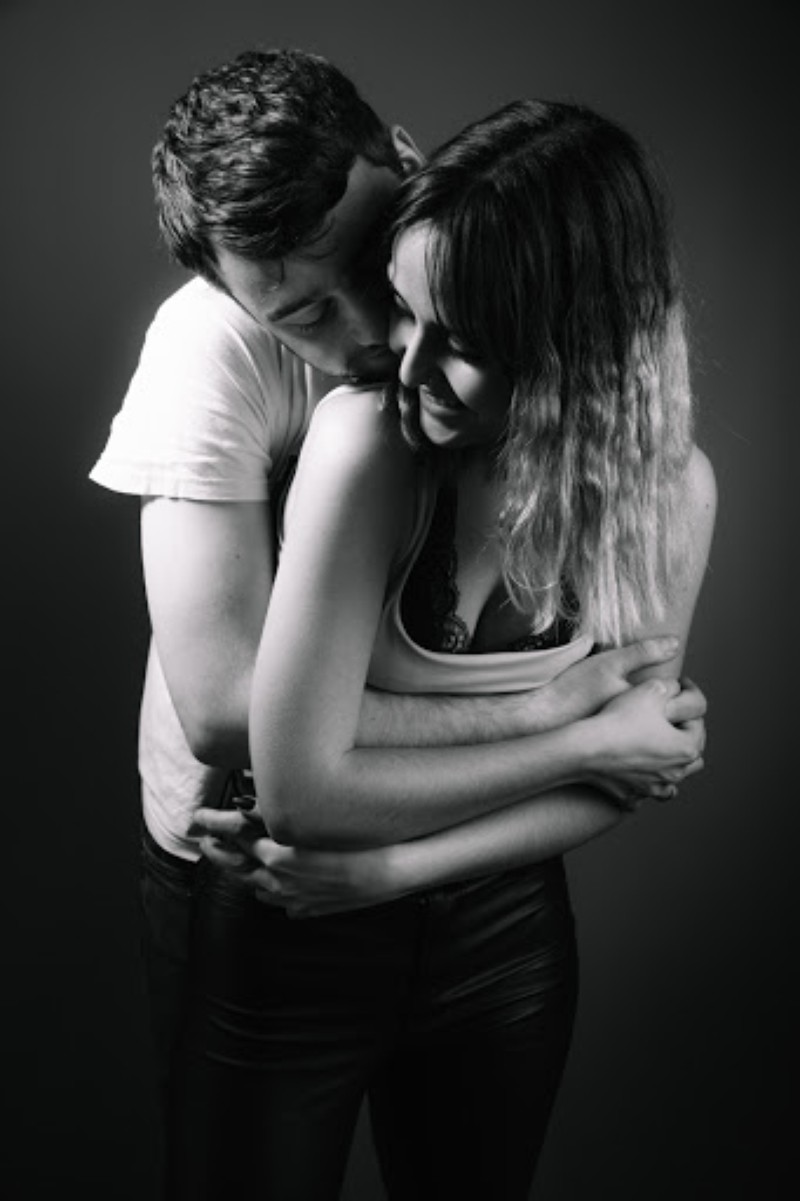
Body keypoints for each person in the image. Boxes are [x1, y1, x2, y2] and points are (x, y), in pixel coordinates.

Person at [88, 48, 694, 1188]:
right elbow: (231, 713)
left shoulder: (478, 290)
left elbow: (639, 740)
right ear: (237, 298)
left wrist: (434, 832)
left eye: (373, 259)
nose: (375, 330)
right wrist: (563, 720)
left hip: (476, 885)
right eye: (305, 311)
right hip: (247, 854)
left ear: (405, 164)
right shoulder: (212, 352)